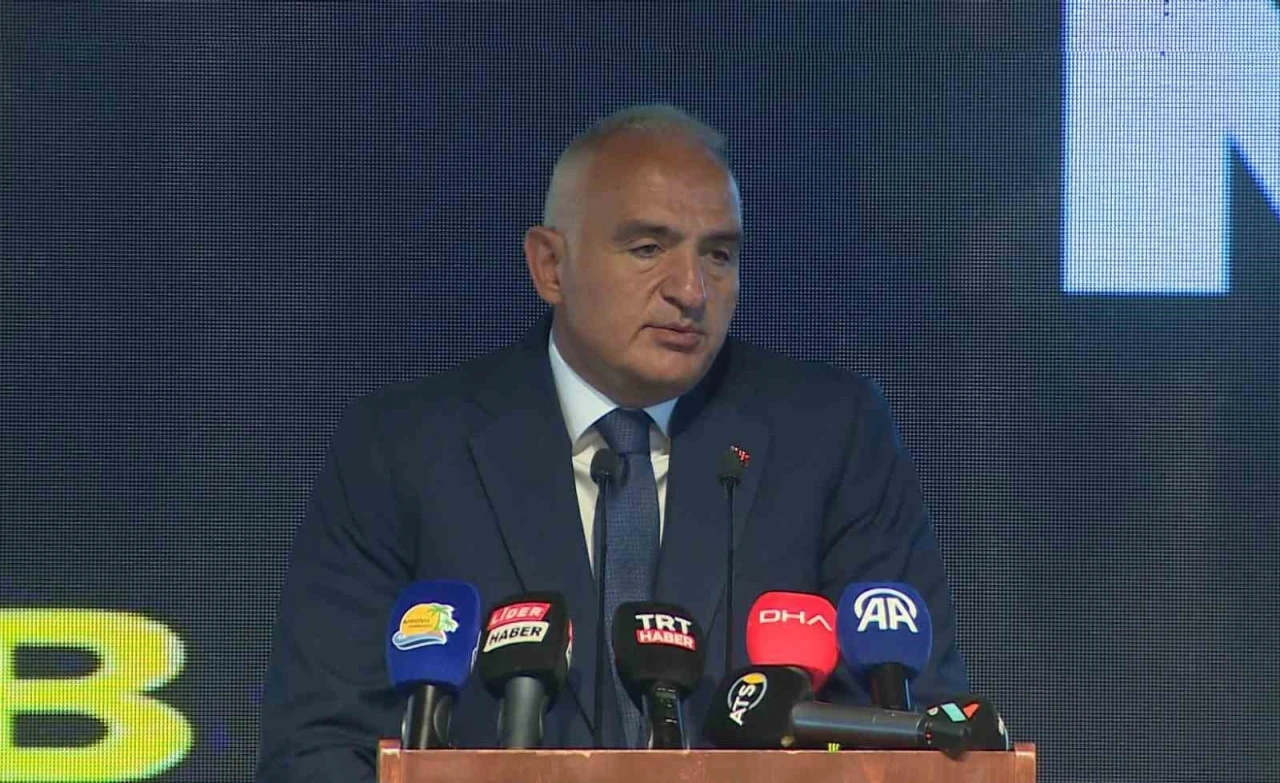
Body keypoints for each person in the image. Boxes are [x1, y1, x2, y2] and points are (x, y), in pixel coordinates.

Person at [256, 104, 967, 783]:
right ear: (550, 266)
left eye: (719, 255)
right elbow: (319, 746)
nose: (691, 289)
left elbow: (916, 728)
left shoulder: (832, 437)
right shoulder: (403, 450)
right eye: (648, 248)